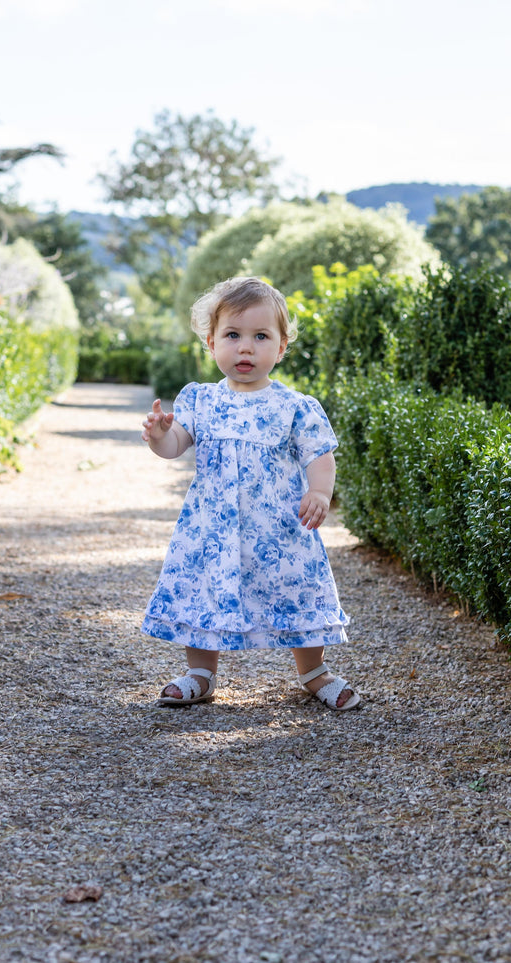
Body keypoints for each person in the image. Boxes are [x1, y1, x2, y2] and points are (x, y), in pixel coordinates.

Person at [140, 276, 361, 711]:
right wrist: (160, 436)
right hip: (213, 528)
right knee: (203, 590)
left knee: (298, 591)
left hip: (279, 530)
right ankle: (201, 673)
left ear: (280, 348)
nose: (246, 347)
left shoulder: (294, 406)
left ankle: (314, 672)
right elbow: (176, 446)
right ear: (211, 343)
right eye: (233, 335)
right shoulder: (200, 400)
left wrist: (319, 490)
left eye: (261, 337)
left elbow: (319, 454)